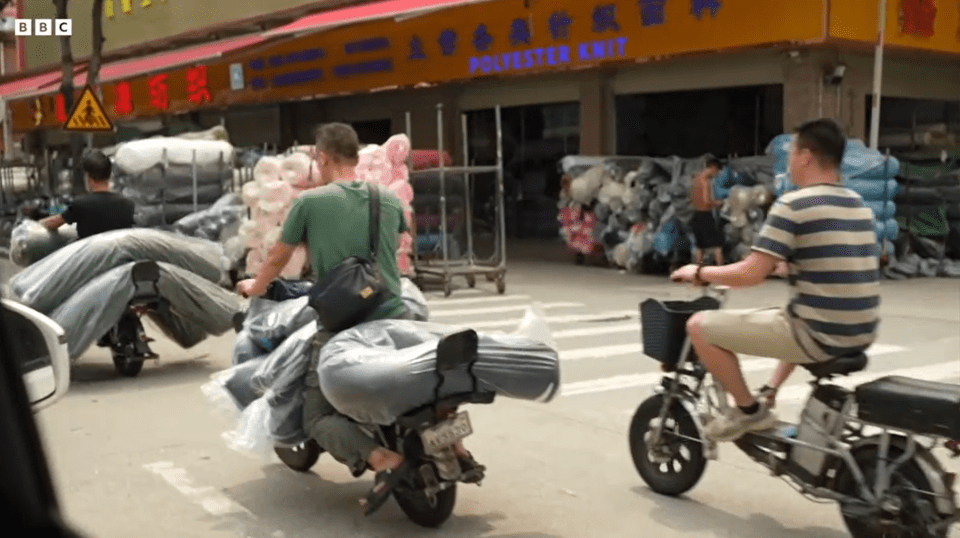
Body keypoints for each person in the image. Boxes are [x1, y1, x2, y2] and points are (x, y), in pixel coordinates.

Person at [236, 123, 480, 514]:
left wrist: (256, 285)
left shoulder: (309, 203)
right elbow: (401, 236)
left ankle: (383, 459)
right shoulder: (387, 199)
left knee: (316, 417)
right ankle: (454, 444)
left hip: (342, 326)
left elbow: (280, 256)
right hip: (395, 315)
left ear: (323, 157)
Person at [671, 118, 880, 442]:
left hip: (819, 333)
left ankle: (749, 412)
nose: (789, 162)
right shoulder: (858, 205)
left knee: (699, 326)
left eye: (792, 153)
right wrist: (788, 267)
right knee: (791, 311)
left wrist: (698, 272)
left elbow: (749, 274)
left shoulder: (794, 204)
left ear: (806, 156)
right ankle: (769, 390)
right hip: (860, 331)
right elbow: (843, 263)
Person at [40, 149, 135, 239]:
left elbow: (53, 223)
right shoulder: (128, 204)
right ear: (109, 175)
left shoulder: (80, 204)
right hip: (120, 255)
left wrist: (38, 224)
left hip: (91, 256)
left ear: (89, 179)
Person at [689, 158, 725, 266]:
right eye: (717, 171)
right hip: (705, 215)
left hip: (695, 214)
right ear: (713, 167)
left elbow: (691, 197)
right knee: (717, 245)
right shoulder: (706, 181)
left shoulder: (696, 178)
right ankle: (721, 269)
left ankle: (698, 269)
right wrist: (717, 203)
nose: (716, 174)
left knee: (700, 246)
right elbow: (706, 200)